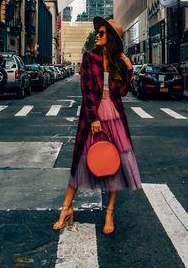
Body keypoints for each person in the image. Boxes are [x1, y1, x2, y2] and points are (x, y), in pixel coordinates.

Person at [53, 17, 142, 235]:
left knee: (116, 162)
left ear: (110, 37)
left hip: (114, 116)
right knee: (81, 160)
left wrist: (129, 69)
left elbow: (121, 92)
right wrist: (93, 118)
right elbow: (86, 91)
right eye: (97, 33)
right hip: (93, 116)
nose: (97, 36)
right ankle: (66, 207)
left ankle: (109, 213)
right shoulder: (89, 57)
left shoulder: (117, 61)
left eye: (101, 33)